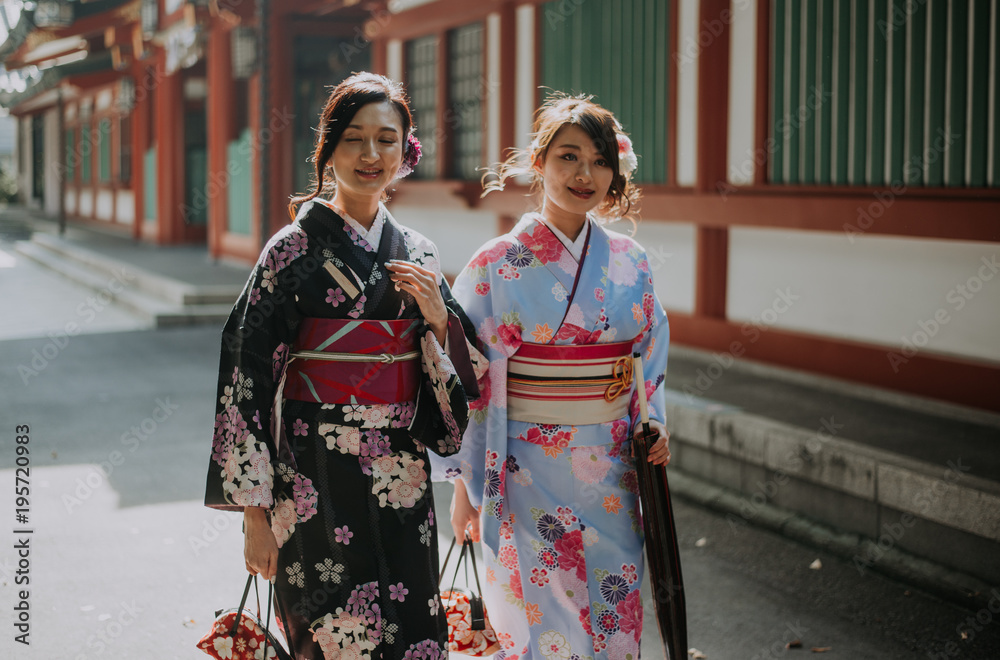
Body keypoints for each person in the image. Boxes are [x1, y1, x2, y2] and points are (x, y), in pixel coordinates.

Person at [204, 72, 486, 659]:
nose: (370, 154)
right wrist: (254, 514)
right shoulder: (290, 251)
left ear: (405, 152)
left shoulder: (420, 253)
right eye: (354, 138)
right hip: (310, 476)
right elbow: (245, 378)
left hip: (400, 474)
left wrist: (439, 318)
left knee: (412, 636)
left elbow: (471, 372)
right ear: (328, 149)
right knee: (329, 638)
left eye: (387, 139)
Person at [431, 94, 671, 660]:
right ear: (538, 163)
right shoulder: (497, 261)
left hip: (611, 467)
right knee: (542, 620)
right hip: (523, 469)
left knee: (616, 608)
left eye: (599, 160)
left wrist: (653, 424)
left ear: (615, 173)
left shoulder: (631, 260)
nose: (584, 174)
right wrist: (465, 486)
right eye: (568, 156)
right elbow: (467, 375)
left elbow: (648, 358)